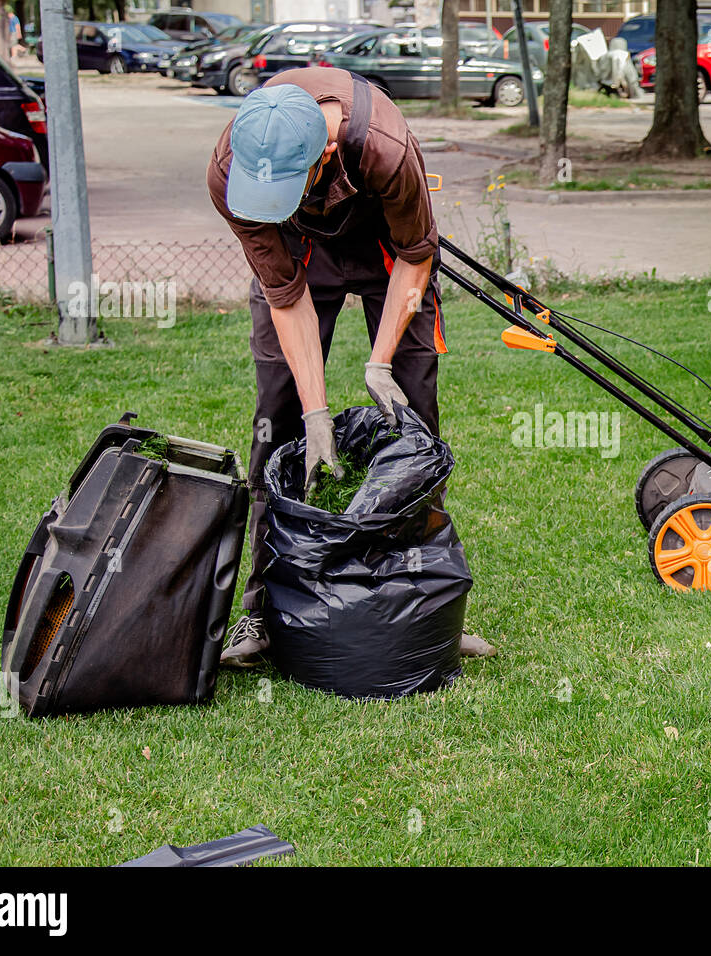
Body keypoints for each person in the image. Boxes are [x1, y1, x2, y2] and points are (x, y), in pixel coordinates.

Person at [207, 68, 495, 666]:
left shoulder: (384, 146)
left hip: (391, 255)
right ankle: (262, 613)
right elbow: (285, 297)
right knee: (279, 419)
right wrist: (315, 414)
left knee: (414, 421)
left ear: (327, 153)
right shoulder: (231, 169)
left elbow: (417, 256)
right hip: (300, 255)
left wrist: (379, 363)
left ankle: (425, 613)